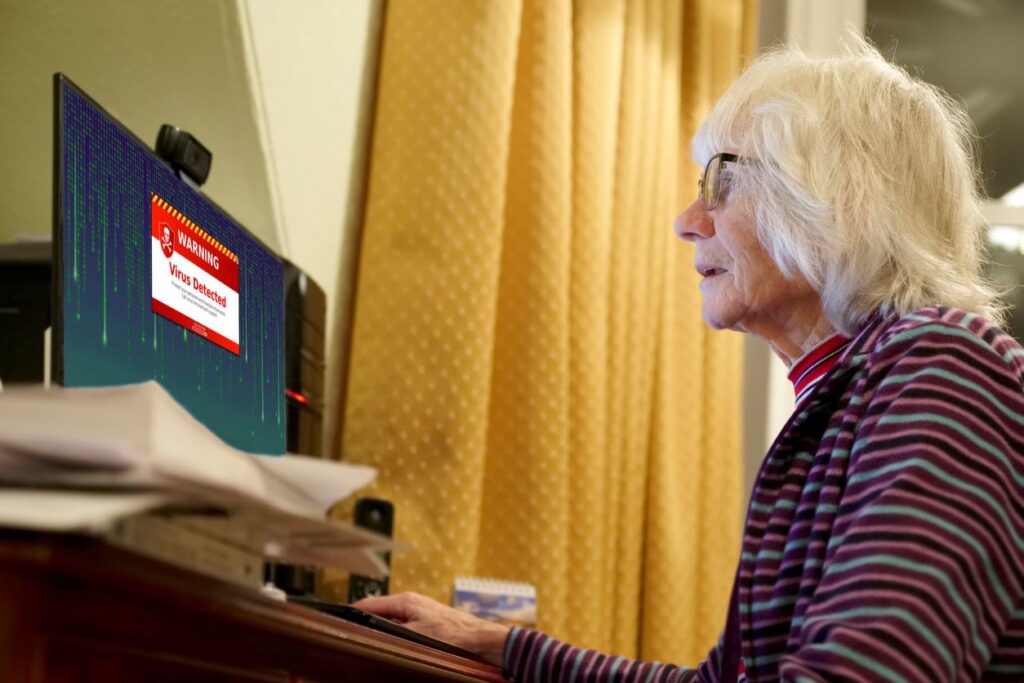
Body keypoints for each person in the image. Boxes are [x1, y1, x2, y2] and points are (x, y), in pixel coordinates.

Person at [355, 38, 1024, 682]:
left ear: (839, 198)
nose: (686, 220)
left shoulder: (945, 366)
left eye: (721, 181)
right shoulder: (862, 388)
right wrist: (501, 643)